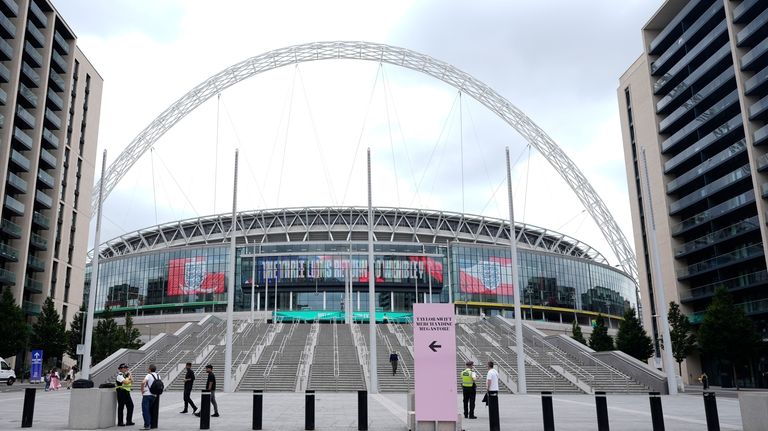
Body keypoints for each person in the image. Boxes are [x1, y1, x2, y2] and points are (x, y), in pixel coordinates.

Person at [141, 364, 159, 430]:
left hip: (147, 395)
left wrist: (142, 390)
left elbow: (143, 382)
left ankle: (147, 425)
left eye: (148, 368)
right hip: (154, 395)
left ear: (150, 369)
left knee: (145, 410)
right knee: (150, 410)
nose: (147, 369)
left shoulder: (148, 375)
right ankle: (151, 424)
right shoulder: (158, 375)